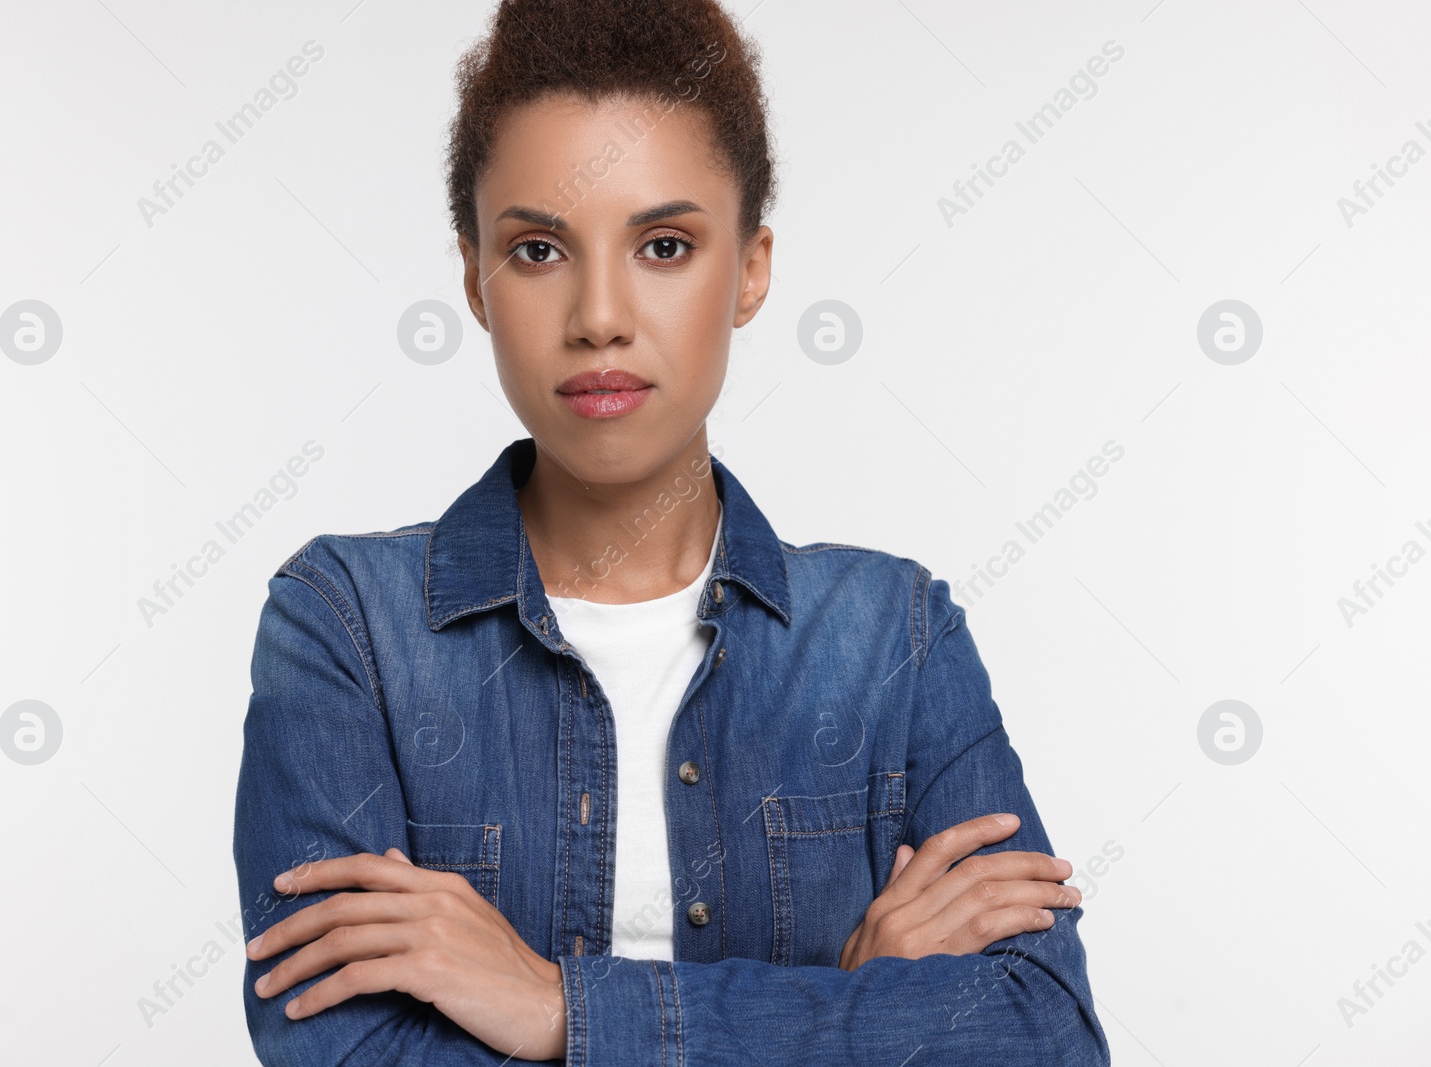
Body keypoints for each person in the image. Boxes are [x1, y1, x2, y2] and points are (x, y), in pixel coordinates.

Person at [232, 0, 1110, 1062]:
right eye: (540, 249)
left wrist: (560, 1009)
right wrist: (848, 1002)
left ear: (748, 269)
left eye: (663, 243)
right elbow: (343, 1053)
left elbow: (1043, 1036)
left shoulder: (893, 639)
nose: (599, 314)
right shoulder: (348, 628)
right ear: (474, 279)